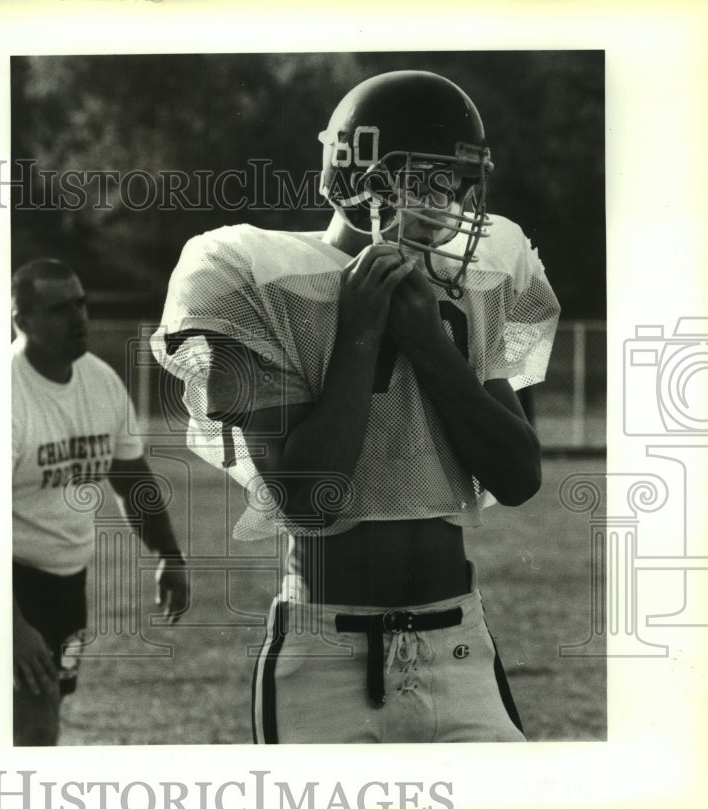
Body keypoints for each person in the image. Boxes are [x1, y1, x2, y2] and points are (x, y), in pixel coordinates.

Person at [151, 70, 560, 743]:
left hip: (458, 638)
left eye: (454, 181)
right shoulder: (257, 274)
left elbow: (518, 477)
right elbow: (310, 500)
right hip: (328, 658)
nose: (447, 199)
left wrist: (429, 346)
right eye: (424, 176)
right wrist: (361, 333)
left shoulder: (479, 279)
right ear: (357, 174)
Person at [11, 257, 189, 746]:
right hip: (11, 582)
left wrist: (168, 554)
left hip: (67, 585)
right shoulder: (4, 394)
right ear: (21, 320)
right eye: (59, 309)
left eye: (81, 304)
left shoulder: (100, 381)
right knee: (32, 723)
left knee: (42, 713)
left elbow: (132, 478)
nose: (79, 318)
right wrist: (10, 624)